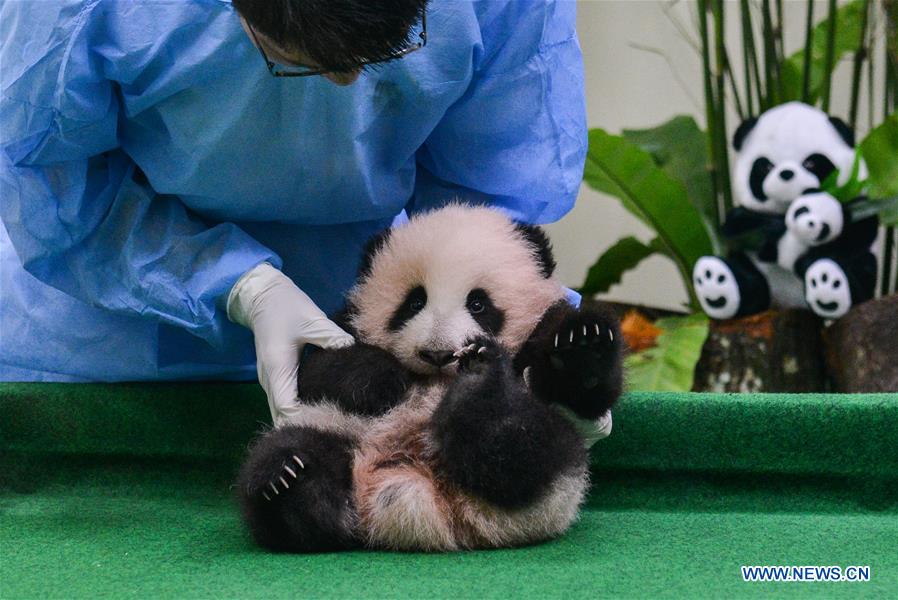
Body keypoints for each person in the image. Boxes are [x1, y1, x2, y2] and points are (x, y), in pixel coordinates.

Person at [0, 0, 587, 425]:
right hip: (111, 347)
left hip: (378, 345)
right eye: (299, 59)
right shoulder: (67, 12)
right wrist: (232, 285)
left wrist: (523, 341)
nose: (347, 80)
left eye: (392, 48)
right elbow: (51, 183)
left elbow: (486, 189)